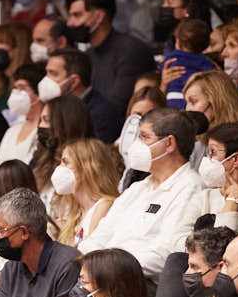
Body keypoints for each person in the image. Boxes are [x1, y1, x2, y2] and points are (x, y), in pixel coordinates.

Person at [79, 108, 203, 283]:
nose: (135, 145)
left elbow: (166, 254)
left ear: (169, 144)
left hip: (139, 284)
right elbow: (101, 235)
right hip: (101, 275)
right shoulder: (137, 188)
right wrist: (78, 259)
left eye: (144, 137)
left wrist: (106, 268)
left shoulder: (191, 188)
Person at [66, 0, 154, 109]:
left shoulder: (131, 51)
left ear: (99, 17)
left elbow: (118, 106)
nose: (70, 23)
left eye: (77, 15)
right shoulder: (87, 56)